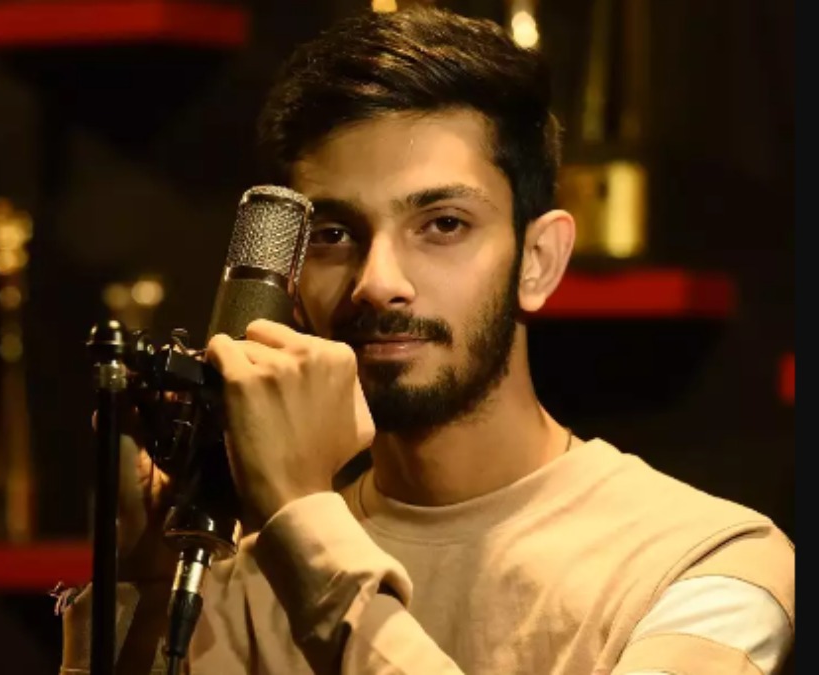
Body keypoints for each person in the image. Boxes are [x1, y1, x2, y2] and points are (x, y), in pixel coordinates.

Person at [59, 5, 795, 674]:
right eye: (334, 233)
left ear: (538, 261)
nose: (378, 282)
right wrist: (141, 580)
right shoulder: (244, 574)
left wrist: (301, 520)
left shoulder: (704, 561)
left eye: (443, 224)